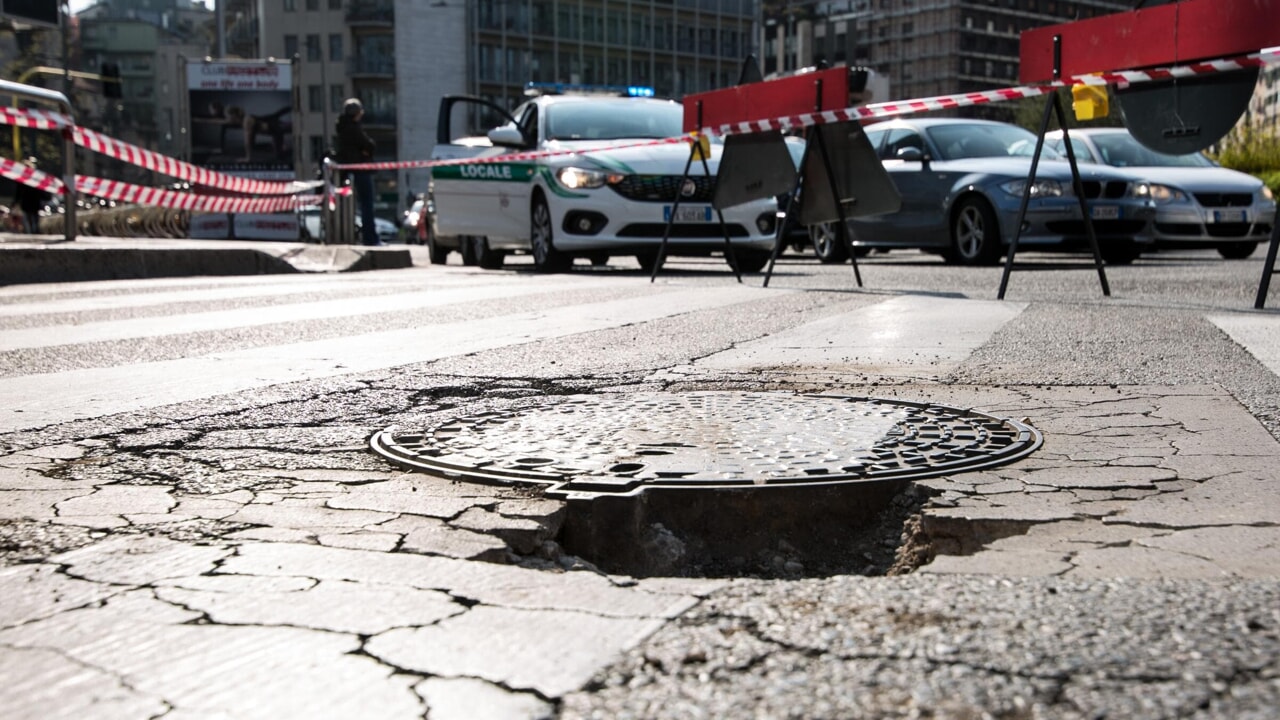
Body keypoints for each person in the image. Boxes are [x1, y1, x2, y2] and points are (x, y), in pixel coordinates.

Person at [334, 98, 380, 246]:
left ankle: (344, 235)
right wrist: (366, 151)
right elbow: (369, 145)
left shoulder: (341, 127)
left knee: (348, 205)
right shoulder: (354, 129)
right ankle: (370, 238)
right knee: (367, 204)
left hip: (346, 170)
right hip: (360, 170)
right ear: (357, 114)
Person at [12, 158, 50, 234]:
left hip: (29, 202)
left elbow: (18, 192)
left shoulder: (23, 178)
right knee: (33, 217)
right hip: (33, 202)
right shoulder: (33, 178)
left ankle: (32, 230)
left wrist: (16, 201)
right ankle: (34, 230)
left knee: (31, 217)